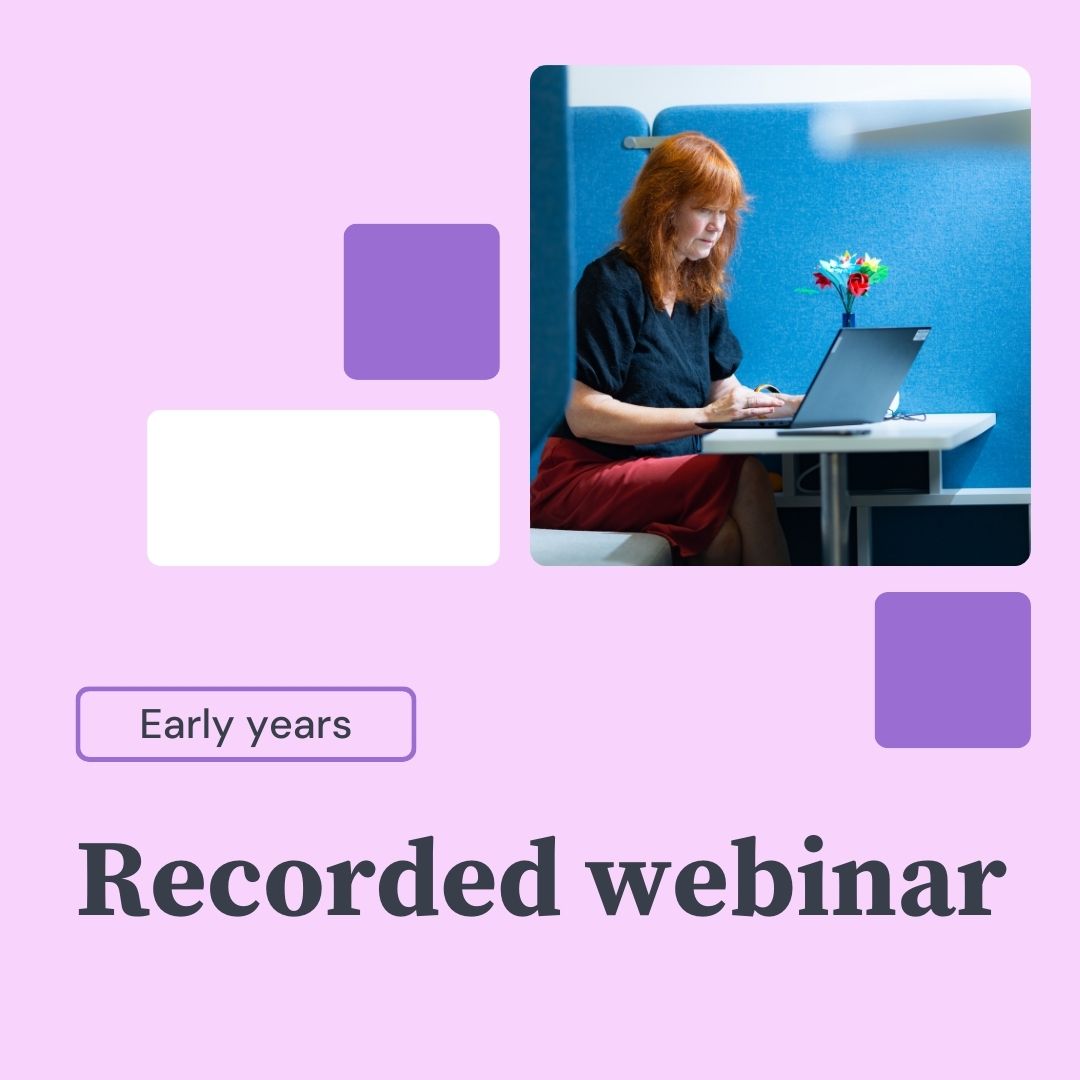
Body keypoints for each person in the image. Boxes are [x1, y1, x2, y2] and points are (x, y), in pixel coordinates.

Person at [531, 132, 800, 565]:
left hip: (658, 476)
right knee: (746, 472)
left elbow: (725, 393)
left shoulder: (701, 289)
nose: (717, 225)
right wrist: (702, 419)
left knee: (724, 539)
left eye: (724, 212)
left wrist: (800, 405)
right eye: (703, 209)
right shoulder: (612, 283)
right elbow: (583, 416)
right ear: (665, 207)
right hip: (583, 478)